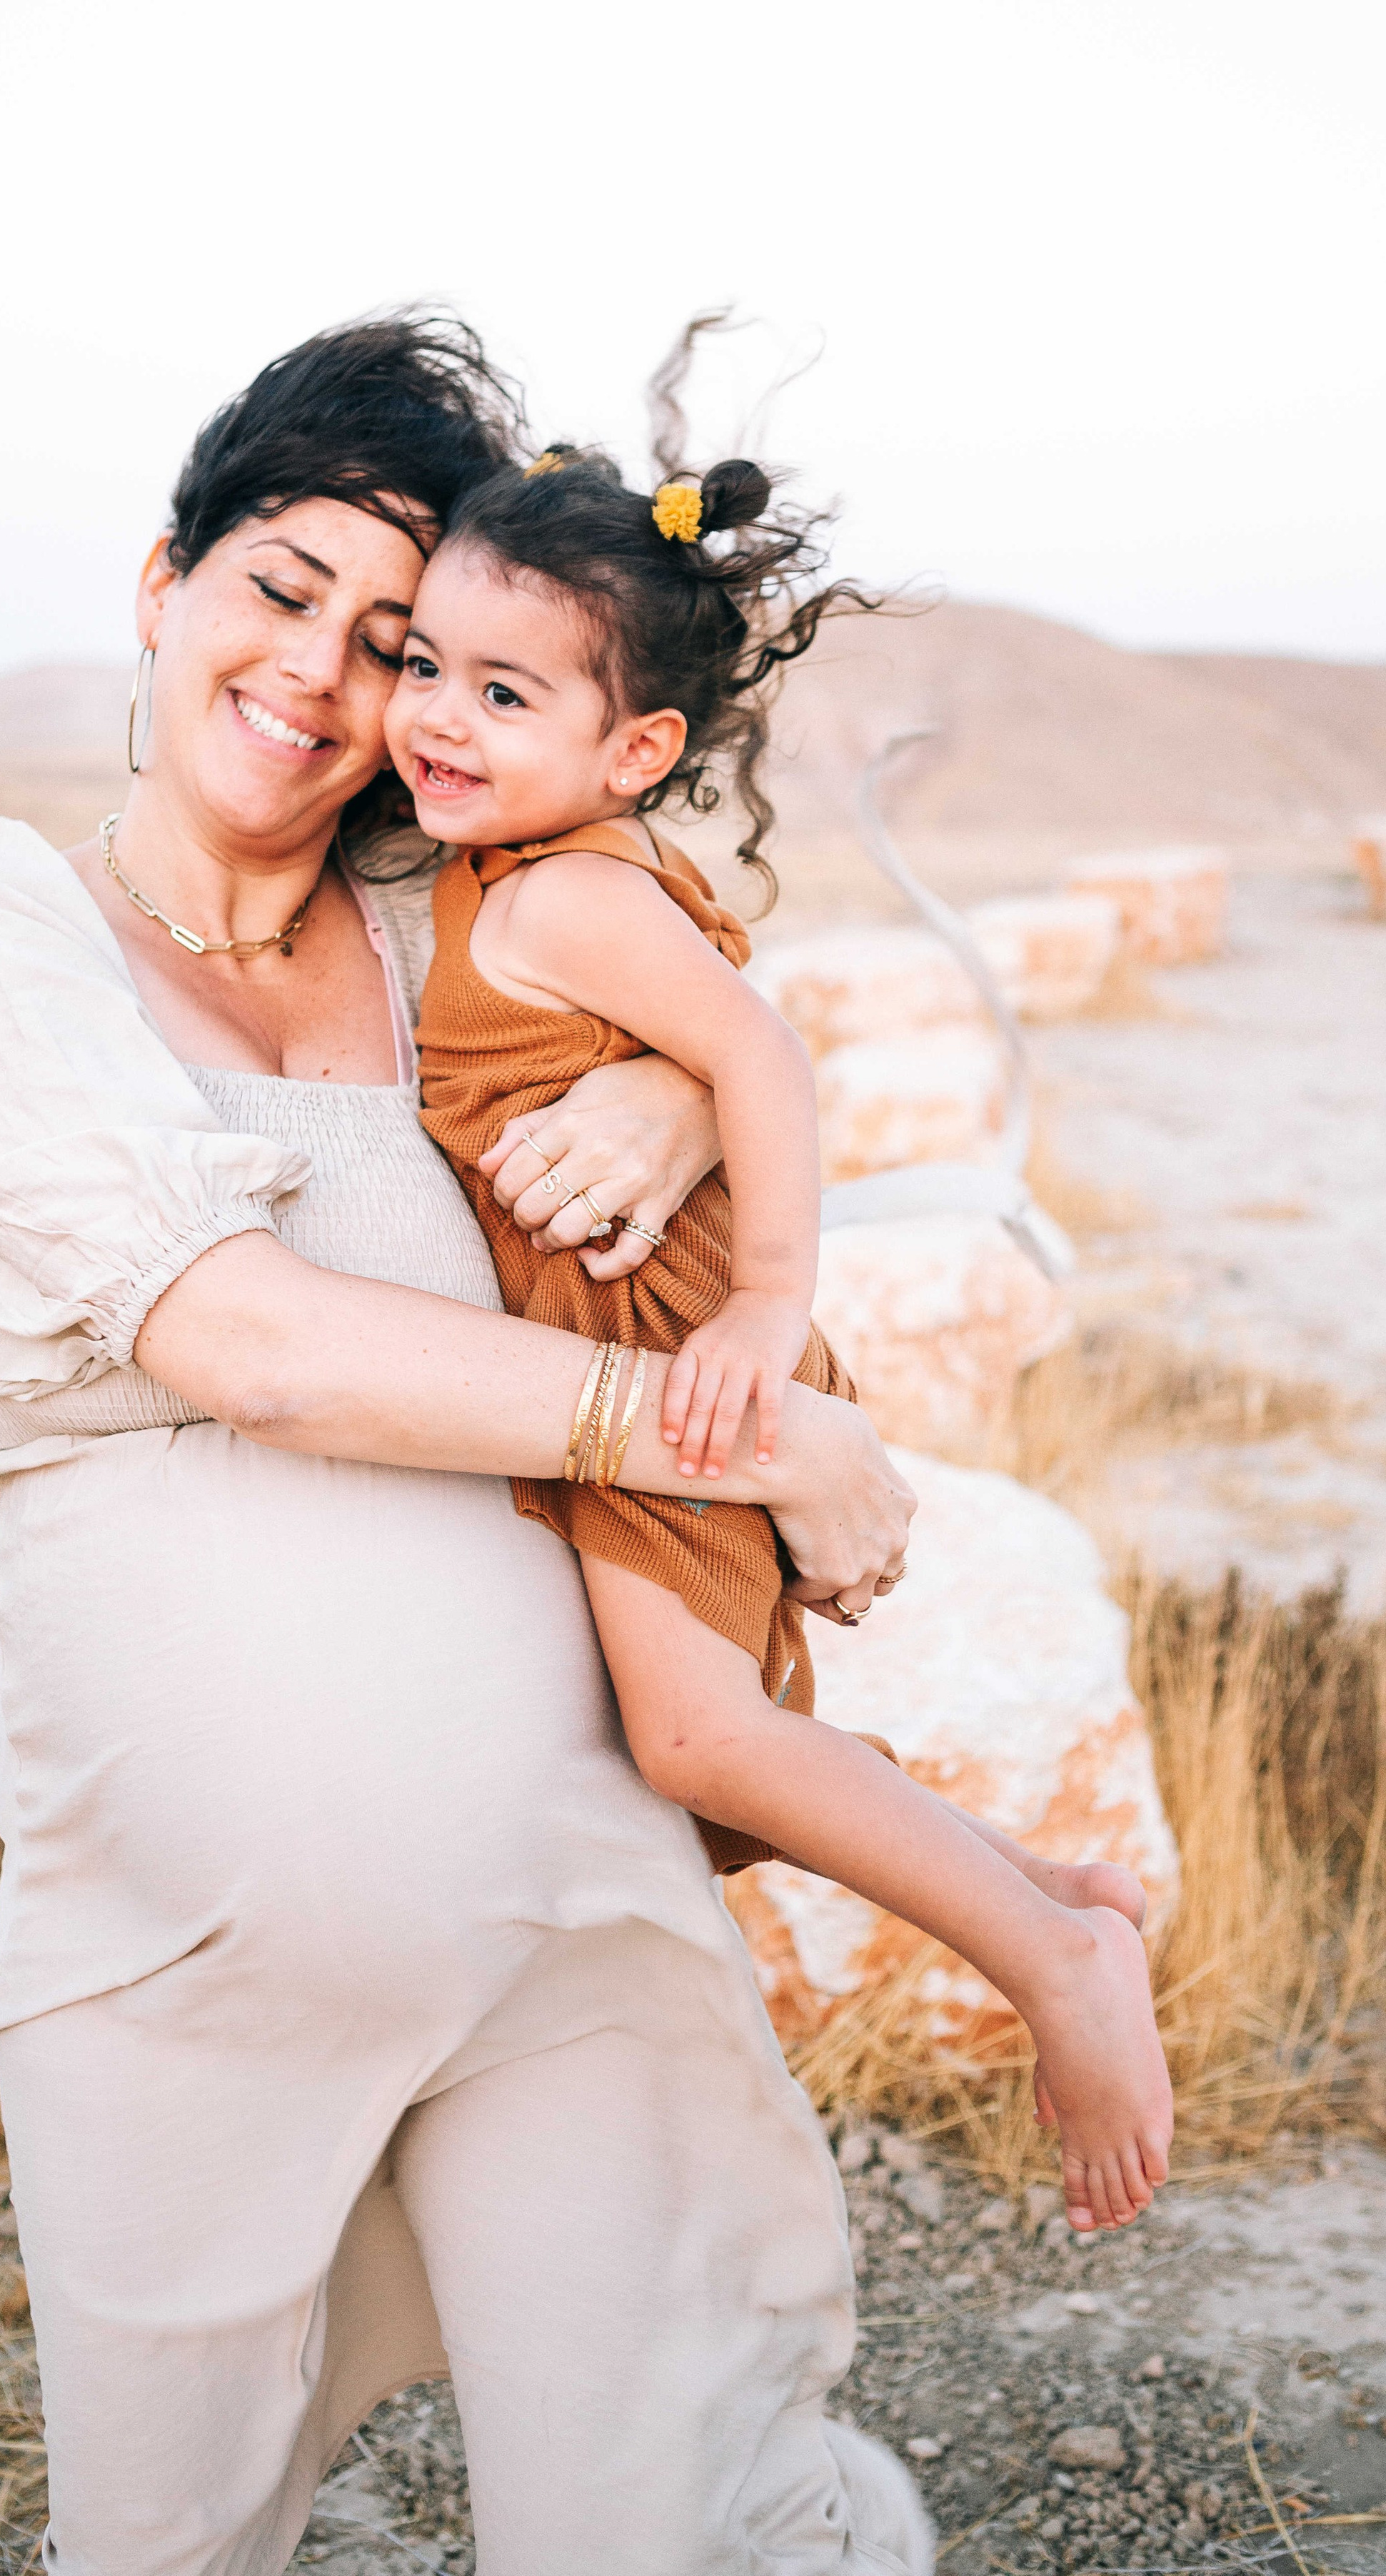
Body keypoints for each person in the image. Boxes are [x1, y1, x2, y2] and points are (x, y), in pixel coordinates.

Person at [0, 313, 934, 2576]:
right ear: (164, 582)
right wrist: (748, 1444)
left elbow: (696, 994)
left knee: (660, 2499)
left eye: (390, 636)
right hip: (176, 1956)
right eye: (279, 589)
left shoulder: (445, 917)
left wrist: (653, 1095)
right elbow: (246, 1343)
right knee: (171, 2538)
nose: (326, 677)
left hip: (567, 1904)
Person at [398, 441, 1174, 2237]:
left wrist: (764, 1307)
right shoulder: (519, 856)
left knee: (695, 1745)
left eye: (500, 691)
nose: (437, 714)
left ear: (633, 751)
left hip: (675, 1351)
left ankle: (1050, 1961)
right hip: (655, 1343)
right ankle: (1051, 1882)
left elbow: (761, 1054)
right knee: (721, 1731)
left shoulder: (554, 894)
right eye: (425, 664)